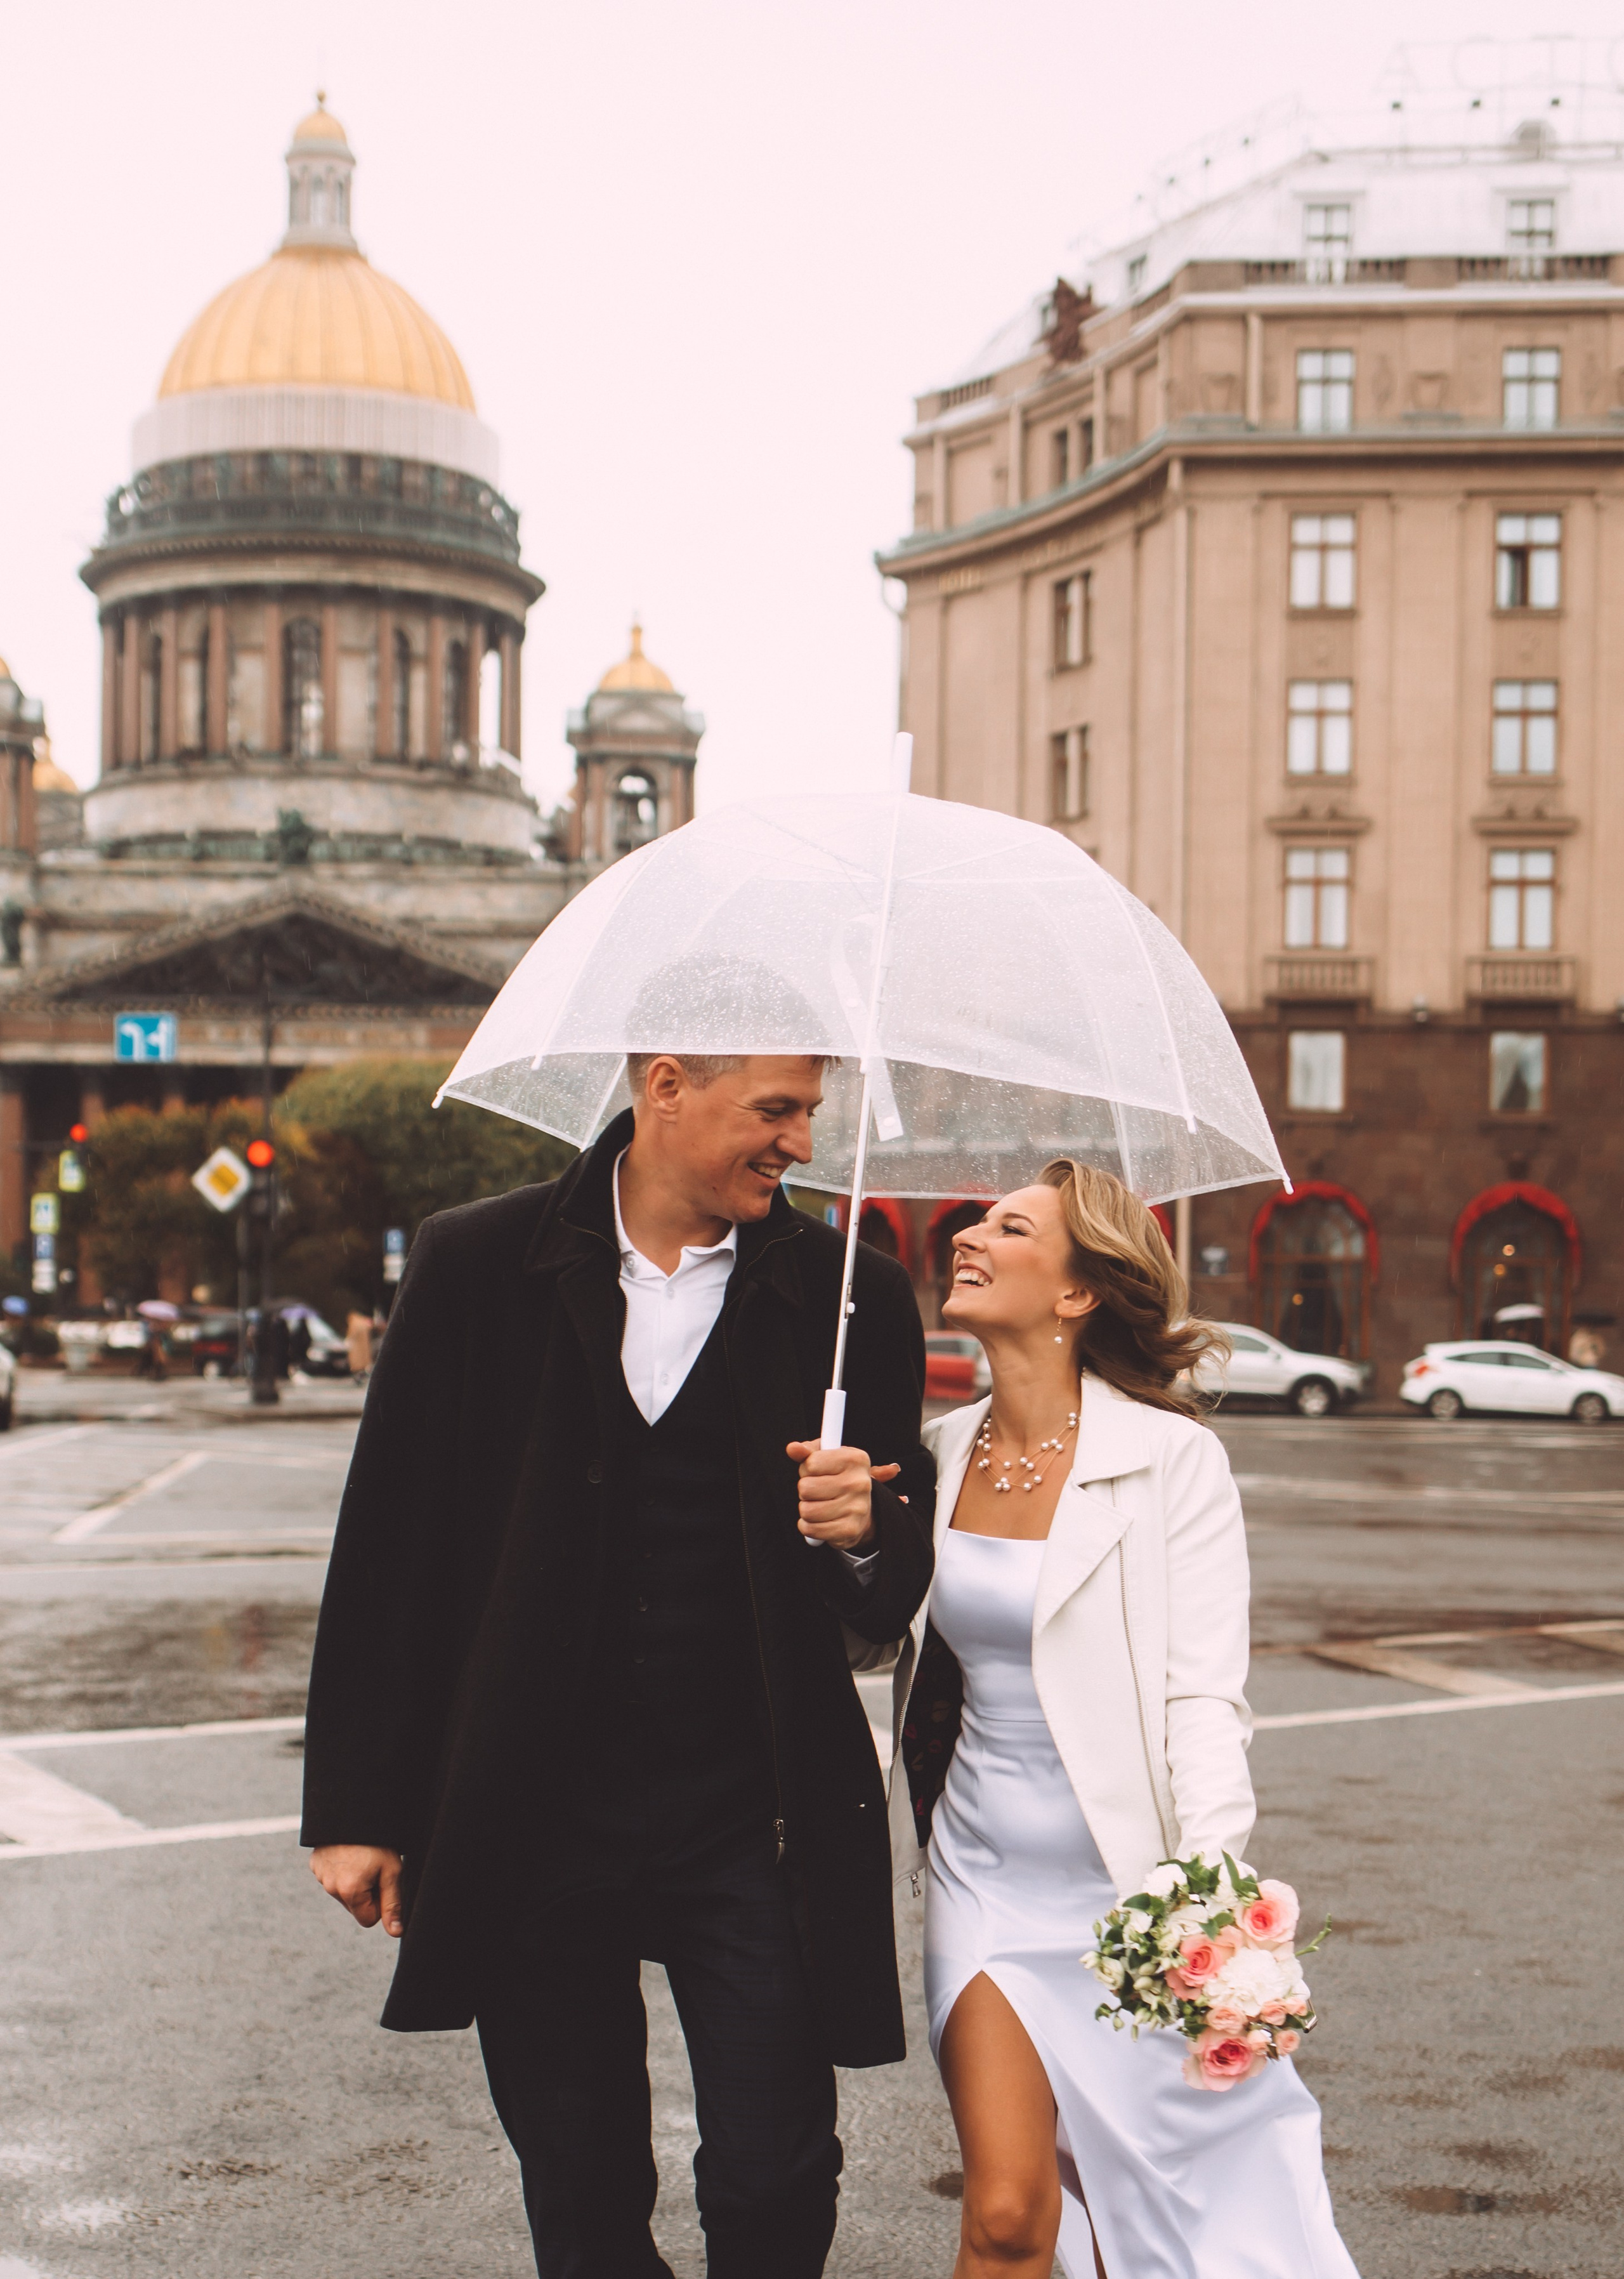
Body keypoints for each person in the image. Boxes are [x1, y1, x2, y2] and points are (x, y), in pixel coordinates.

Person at [301, 1053, 934, 2278]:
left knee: (778, 2169)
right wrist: (359, 1807)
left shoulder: (855, 1296)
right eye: (776, 1110)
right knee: (581, 2187)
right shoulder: (478, 1263)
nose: (802, 1141)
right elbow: (393, 1541)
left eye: (811, 1112)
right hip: (535, 1809)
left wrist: (866, 1531)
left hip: (756, 1819)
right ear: (666, 1087)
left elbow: (892, 1588)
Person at [887, 1159, 1358, 2279]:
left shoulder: (1172, 1462)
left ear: (1078, 1292)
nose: (970, 1238)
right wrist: (850, 1535)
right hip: (982, 1884)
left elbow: (1204, 1695)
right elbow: (873, 1647)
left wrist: (1208, 1895)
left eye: (1009, 1228)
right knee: (1008, 2215)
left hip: (1128, 1900)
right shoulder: (937, 1453)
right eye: (976, 1222)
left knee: (1149, 2214)